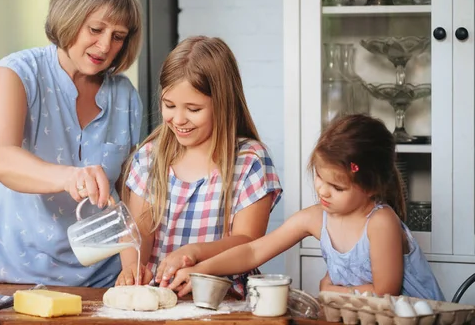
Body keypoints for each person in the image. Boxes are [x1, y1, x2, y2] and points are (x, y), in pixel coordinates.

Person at [0, 0, 143, 287]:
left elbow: (131, 194)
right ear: (69, 18)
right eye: (95, 29)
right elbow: (0, 160)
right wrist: (69, 176)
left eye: (118, 36)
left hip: (100, 278)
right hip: (10, 276)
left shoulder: (125, 95)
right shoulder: (16, 73)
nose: (105, 45)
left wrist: (133, 266)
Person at [169, 114, 445, 301]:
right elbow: (254, 251)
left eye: (337, 187)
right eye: (319, 177)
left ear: (371, 187)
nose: (322, 191)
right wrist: (201, 269)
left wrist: (330, 291)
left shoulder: (380, 221)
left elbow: (386, 292)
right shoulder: (316, 218)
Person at [115, 36, 283, 297]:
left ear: (223, 104)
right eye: (169, 105)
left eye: (193, 109)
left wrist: (194, 254)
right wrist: (133, 267)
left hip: (225, 299)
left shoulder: (250, 161)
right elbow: (139, 232)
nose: (178, 119)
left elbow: (247, 242)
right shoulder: (149, 159)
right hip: (161, 297)